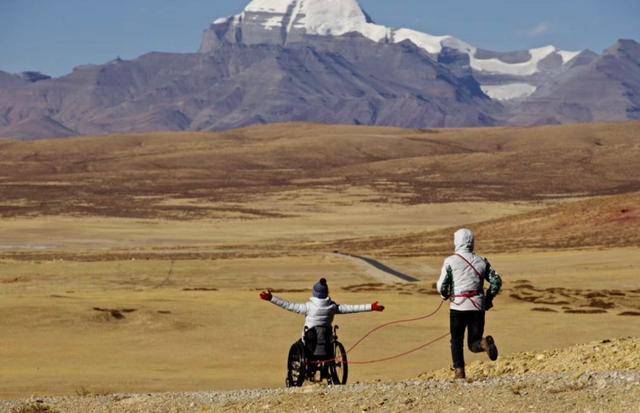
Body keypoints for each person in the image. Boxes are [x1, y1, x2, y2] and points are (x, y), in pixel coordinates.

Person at [436, 228, 503, 379]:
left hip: (458, 306)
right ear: (472, 242)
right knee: (474, 342)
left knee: (456, 340)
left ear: (456, 242)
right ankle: (484, 343)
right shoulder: (481, 261)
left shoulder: (450, 261)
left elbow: (442, 286)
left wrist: (445, 295)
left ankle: (459, 372)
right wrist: (488, 299)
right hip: (477, 307)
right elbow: (496, 281)